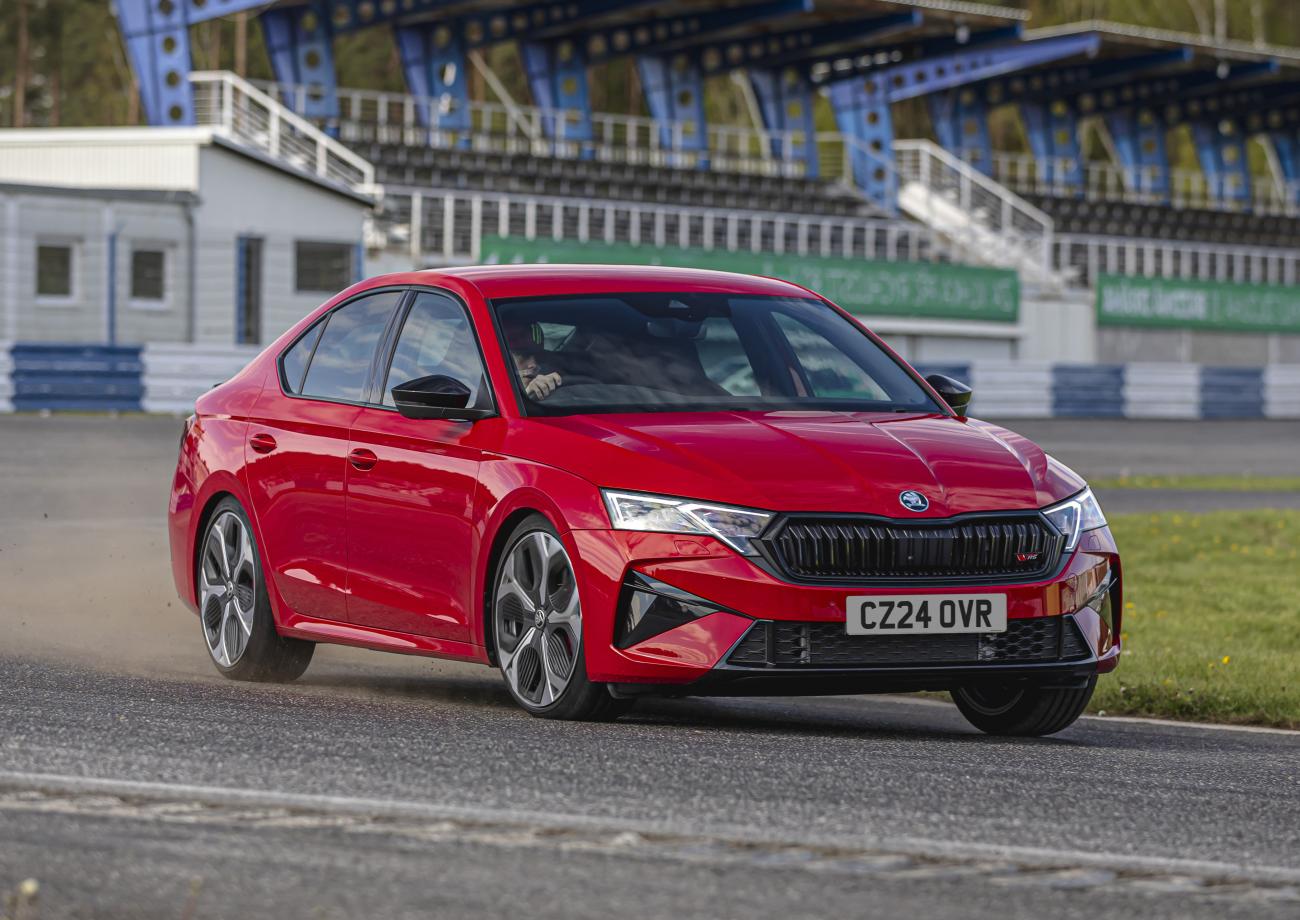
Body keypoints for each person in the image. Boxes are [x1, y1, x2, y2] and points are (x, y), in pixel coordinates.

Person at [503, 319, 563, 401]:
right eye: (524, 356)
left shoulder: (554, 377)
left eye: (538, 357)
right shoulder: (488, 389)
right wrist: (526, 394)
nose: (533, 364)